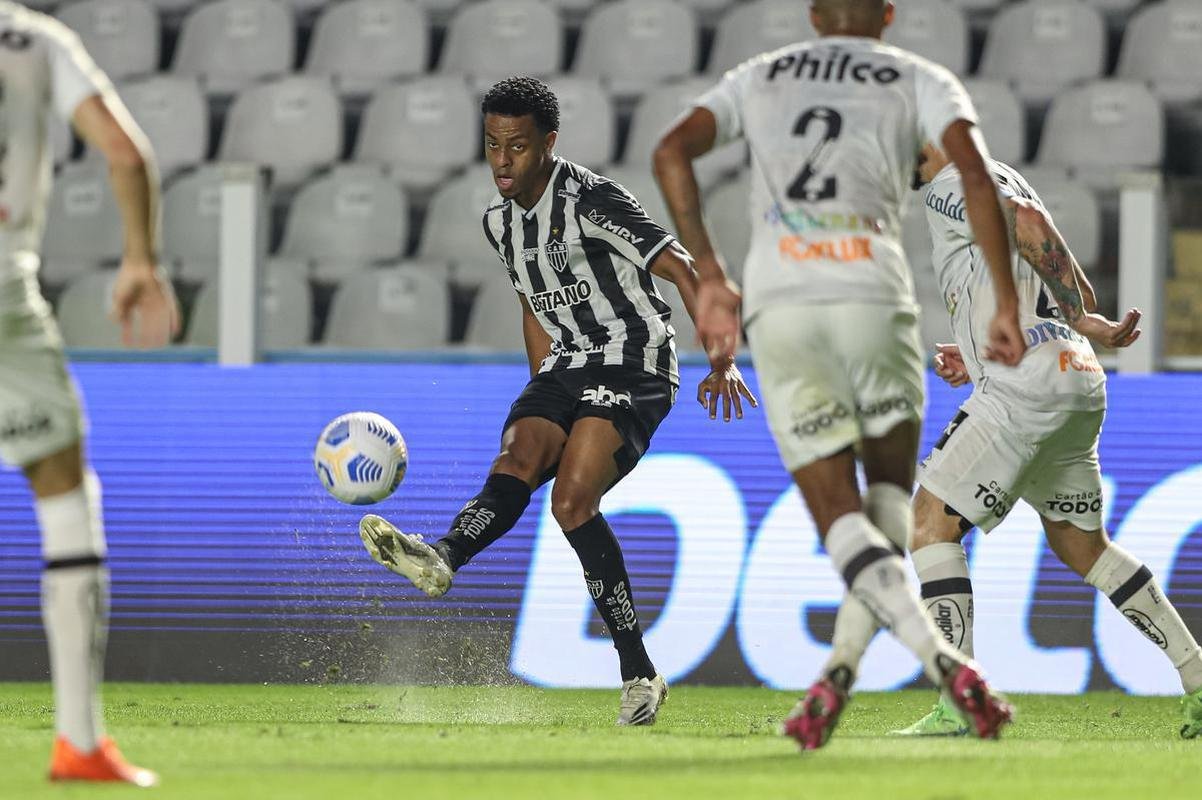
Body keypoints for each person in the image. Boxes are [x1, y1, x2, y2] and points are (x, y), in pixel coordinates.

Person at [653, 0, 1024, 749]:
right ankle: (908, 664)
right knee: (890, 502)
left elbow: (669, 151)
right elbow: (979, 179)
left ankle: (897, 669)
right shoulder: (920, 76)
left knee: (843, 521)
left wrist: (715, 274)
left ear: (815, 14)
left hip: (783, 308)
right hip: (874, 300)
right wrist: (1005, 303)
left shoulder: (761, 75)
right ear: (889, 14)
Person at [359, 76, 757, 726]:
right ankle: (441, 557)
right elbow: (530, 301)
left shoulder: (594, 201)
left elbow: (679, 264)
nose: (502, 161)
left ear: (548, 144)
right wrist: (541, 390)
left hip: (634, 358)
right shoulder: (499, 223)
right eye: (491, 145)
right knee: (518, 456)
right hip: (567, 365)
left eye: (516, 146)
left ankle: (638, 672)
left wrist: (722, 356)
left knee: (572, 502)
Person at [891, 145, 1202, 738]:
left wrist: (1081, 314)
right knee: (1084, 548)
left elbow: (1028, 226)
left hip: (1024, 387)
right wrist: (1072, 320)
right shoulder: (1002, 174)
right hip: (1076, 379)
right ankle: (1198, 677)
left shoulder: (951, 183)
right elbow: (1027, 250)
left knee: (930, 523)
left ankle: (960, 699)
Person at [0, 1, 179, 785]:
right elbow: (127, 154)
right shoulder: (36, 41)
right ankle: (78, 741)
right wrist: (140, 259)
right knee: (63, 491)